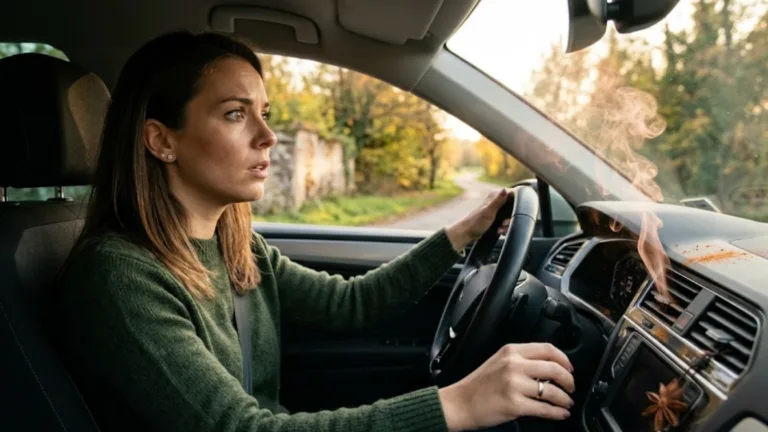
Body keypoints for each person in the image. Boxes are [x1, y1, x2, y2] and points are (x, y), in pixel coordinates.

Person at [53, 31, 575, 432]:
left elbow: (352, 304)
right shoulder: (119, 277)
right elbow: (241, 429)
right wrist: (458, 404)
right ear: (161, 141)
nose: (268, 135)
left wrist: (460, 234)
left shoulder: (238, 247)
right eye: (236, 114)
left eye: (265, 113)